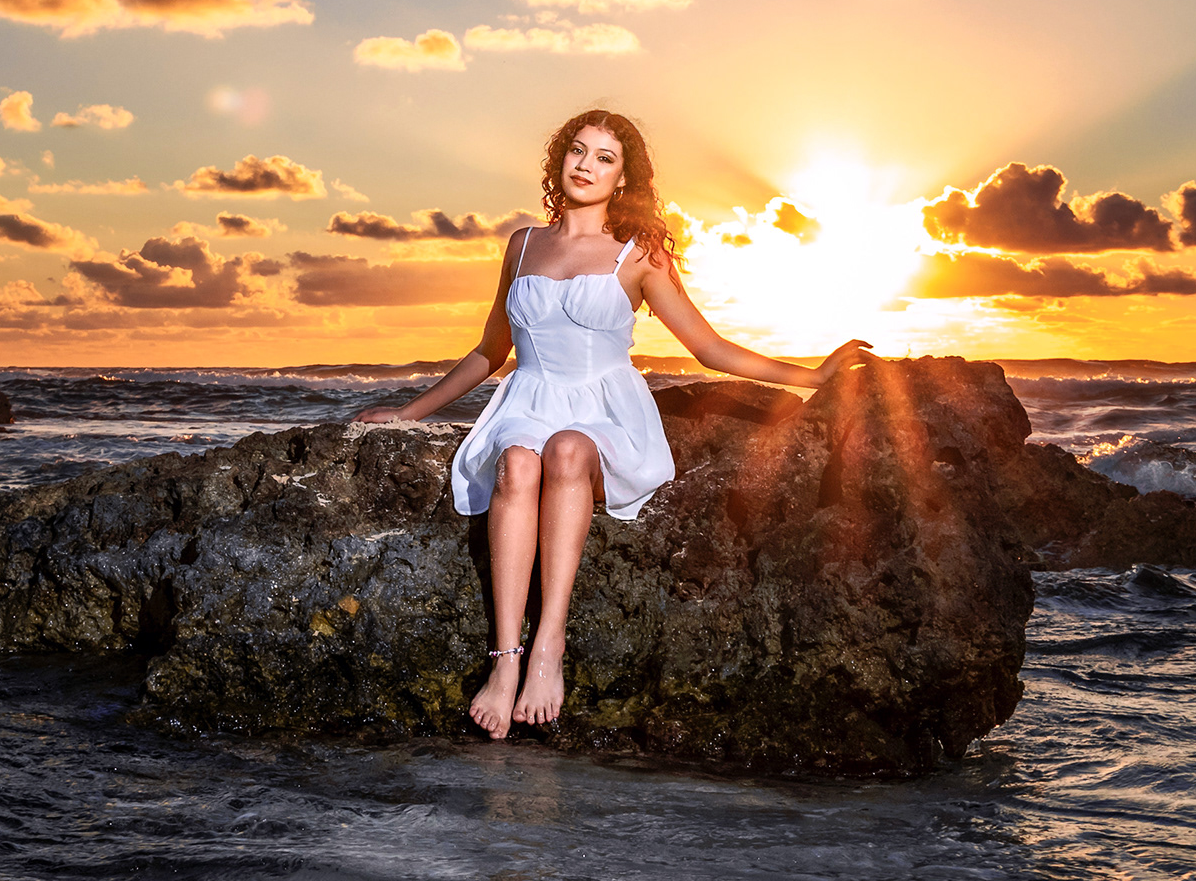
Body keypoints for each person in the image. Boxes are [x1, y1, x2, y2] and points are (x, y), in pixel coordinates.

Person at [356, 109, 870, 739]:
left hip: (604, 412)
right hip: (527, 402)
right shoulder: (521, 245)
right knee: (518, 462)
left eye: (604, 157)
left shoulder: (639, 255)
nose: (586, 165)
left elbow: (709, 349)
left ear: (624, 178)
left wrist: (813, 378)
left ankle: (548, 650)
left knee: (568, 450)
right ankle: (505, 660)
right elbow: (491, 351)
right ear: (559, 161)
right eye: (578, 151)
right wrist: (407, 415)